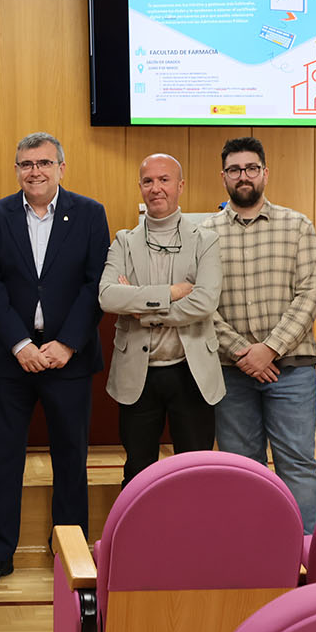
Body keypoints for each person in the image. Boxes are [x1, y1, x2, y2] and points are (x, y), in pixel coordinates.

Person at [0, 132, 108, 589]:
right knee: (4, 457)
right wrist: (20, 345)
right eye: (27, 164)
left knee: (70, 458)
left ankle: (69, 551)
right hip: (13, 360)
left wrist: (67, 343)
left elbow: (95, 284)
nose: (36, 171)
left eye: (44, 163)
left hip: (69, 358)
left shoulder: (90, 214)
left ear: (61, 168)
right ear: (17, 170)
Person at [199, 138, 316, 531]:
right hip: (231, 370)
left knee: (297, 463)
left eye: (251, 168)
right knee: (241, 467)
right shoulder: (203, 233)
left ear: (265, 173)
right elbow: (200, 303)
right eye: (235, 170)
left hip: (292, 369)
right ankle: (251, 551)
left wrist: (269, 349)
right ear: (223, 177)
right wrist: (243, 351)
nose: (244, 176)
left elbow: (312, 292)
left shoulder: (297, 225)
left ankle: (302, 550)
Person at [99, 153, 223, 486]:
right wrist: (172, 292)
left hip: (191, 371)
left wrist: (143, 310)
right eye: (148, 181)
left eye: (164, 180)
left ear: (180, 186)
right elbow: (108, 296)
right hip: (137, 375)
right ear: (140, 187)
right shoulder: (123, 241)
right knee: (138, 473)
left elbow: (205, 301)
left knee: (194, 476)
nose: (156, 188)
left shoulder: (205, 240)